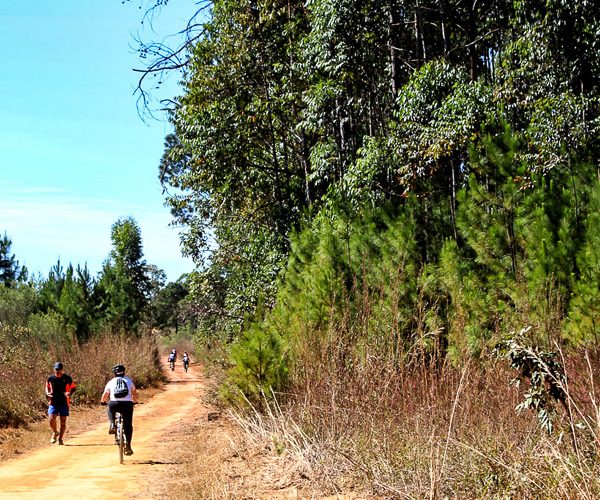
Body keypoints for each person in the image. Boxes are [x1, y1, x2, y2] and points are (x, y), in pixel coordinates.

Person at [100, 364, 138, 456]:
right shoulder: (128, 380)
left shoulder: (111, 382)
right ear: (124, 372)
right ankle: (128, 446)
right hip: (127, 404)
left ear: (114, 373)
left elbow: (105, 394)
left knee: (110, 408)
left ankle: (112, 423)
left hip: (114, 403)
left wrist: (102, 402)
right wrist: (135, 401)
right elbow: (134, 393)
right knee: (128, 425)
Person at [45, 362, 77, 445]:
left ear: (62, 370)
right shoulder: (50, 378)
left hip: (64, 402)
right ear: (54, 369)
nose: (57, 371)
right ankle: (55, 432)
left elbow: (74, 387)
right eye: (56, 370)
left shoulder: (67, 378)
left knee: (63, 422)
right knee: (51, 418)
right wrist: (47, 393)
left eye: (59, 370)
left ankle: (61, 438)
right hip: (53, 402)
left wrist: (69, 393)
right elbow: (47, 387)